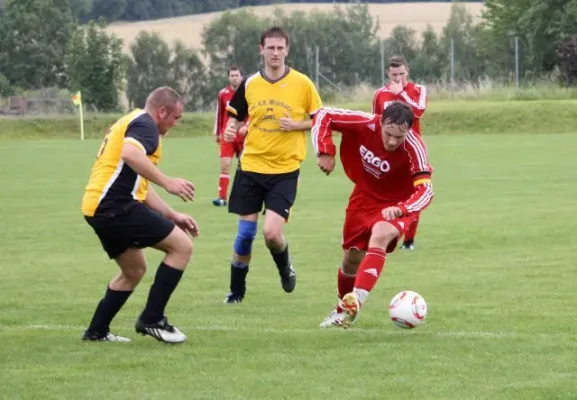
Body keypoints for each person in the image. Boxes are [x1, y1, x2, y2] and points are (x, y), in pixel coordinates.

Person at [81, 86, 199, 343]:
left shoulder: (132, 120)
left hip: (96, 207)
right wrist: (168, 182)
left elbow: (141, 189)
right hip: (114, 207)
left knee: (134, 270)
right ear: (162, 111)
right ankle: (152, 319)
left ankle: (96, 332)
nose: (176, 124)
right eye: (175, 118)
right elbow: (130, 154)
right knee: (182, 247)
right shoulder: (147, 127)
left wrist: (172, 214)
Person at [221, 26, 322, 303]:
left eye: (280, 48)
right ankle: (236, 292)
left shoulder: (303, 84)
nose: (275, 53)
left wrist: (296, 125)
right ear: (261, 50)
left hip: (285, 170)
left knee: (272, 233)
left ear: (287, 50)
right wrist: (231, 130)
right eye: (270, 48)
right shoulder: (250, 83)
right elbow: (235, 117)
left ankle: (284, 268)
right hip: (251, 167)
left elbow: (320, 119)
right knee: (244, 236)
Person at [312, 102, 434, 328]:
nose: (392, 141)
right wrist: (325, 150)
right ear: (380, 123)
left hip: (397, 205)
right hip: (364, 198)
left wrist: (403, 209)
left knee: (380, 233)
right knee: (350, 261)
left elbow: (426, 190)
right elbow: (324, 114)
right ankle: (342, 309)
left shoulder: (414, 147)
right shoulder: (364, 123)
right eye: (388, 134)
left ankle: (357, 300)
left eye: (399, 137)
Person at [373, 55, 428, 250]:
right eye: (394, 75)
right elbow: (375, 121)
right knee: (381, 191)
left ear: (408, 72)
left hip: (411, 152)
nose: (398, 79)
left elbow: (419, 111)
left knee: (415, 192)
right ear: (388, 73)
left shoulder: (418, 90)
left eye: (402, 74)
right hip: (387, 151)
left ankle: (409, 240)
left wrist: (402, 93)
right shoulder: (380, 94)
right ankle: (380, 232)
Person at [213, 66, 248, 207]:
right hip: (227, 135)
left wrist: (247, 127)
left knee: (244, 167)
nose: (234, 77)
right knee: (225, 165)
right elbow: (220, 113)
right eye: (232, 75)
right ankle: (222, 198)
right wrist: (217, 132)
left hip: (243, 135)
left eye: (237, 75)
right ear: (228, 78)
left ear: (241, 77)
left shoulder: (248, 92)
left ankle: (243, 196)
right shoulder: (223, 94)